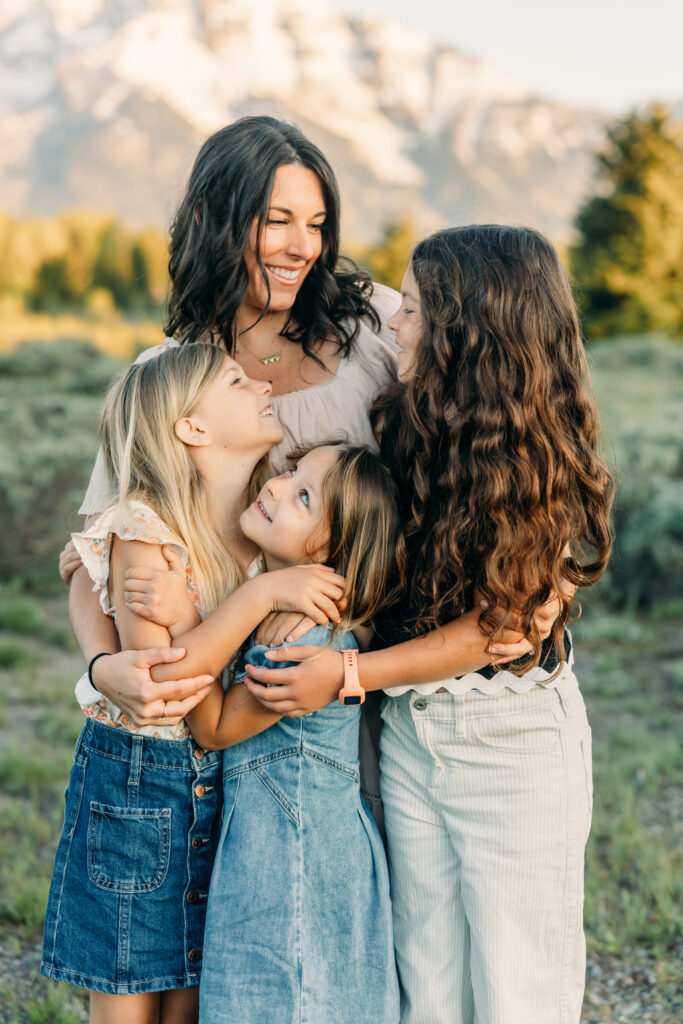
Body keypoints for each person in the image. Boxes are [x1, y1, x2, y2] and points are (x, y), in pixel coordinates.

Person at [243, 226, 614, 1024]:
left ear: (466, 331)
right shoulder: (401, 419)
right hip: (410, 735)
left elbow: (495, 629)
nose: (395, 323)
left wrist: (344, 675)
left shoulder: (530, 453)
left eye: (412, 309)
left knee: (517, 992)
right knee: (425, 986)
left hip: (510, 744)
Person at [41, 344, 345, 1024]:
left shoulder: (262, 535)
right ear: (192, 429)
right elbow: (167, 683)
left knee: (192, 1002)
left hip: (226, 792)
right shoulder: (148, 532)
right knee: (127, 991)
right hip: (137, 791)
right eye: (237, 381)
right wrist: (258, 597)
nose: (261, 383)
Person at [134, 444, 401, 1023]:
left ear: (328, 552)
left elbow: (215, 727)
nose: (277, 486)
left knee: (286, 1000)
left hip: (294, 853)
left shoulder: (305, 639)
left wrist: (183, 619)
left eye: (304, 496)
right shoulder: (276, 608)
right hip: (282, 844)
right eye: (292, 472)